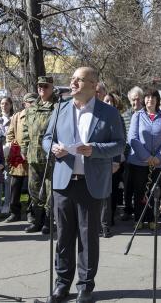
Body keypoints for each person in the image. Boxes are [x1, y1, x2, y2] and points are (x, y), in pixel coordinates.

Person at [42, 67, 125, 303]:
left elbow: (120, 145)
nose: (73, 83)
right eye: (72, 79)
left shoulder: (108, 113)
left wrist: (95, 150)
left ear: (93, 84)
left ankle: (85, 286)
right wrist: (54, 148)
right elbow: (47, 138)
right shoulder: (60, 108)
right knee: (64, 236)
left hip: (91, 183)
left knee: (88, 237)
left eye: (79, 80)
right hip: (63, 182)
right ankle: (61, 285)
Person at [127, 88, 161, 229]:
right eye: (147, 97)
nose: (150, 100)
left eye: (153, 97)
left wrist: (158, 157)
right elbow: (132, 138)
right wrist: (147, 157)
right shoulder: (137, 116)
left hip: (158, 163)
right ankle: (139, 219)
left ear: (157, 100)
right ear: (143, 100)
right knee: (140, 190)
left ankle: (152, 218)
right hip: (140, 161)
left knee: (154, 191)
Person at [22, 76, 58, 234]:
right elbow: (25, 130)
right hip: (33, 154)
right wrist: (24, 148)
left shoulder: (57, 107)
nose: (42, 88)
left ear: (51, 88)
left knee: (50, 189)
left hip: (49, 155)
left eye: (45, 86)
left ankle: (49, 222)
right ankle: (37, 220)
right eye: (39, 86)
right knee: (34, 188)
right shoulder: (32, 108)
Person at [4, 93, 37, 223]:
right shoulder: (17, 117)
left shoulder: (37, 116)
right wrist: (15, 147)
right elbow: (10, 135)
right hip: (18, 157)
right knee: (15, 186)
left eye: (34, 102)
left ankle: (31, 213)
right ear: (24, 103)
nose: (33, 104)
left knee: (32, 186)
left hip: (33, 156)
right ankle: (14, 212)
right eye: (30, 102)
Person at [100, 92, 127, 237]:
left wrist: (116, 161)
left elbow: (119, 141)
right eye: (105, 100)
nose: (108, 103)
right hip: (96, 160)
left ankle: (105, 225)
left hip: (110, 160)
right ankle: (97, 224)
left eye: (110, 101)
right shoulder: (97, 114)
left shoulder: (117, 117)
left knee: (106, 195)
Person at [120, 86, 144, 221]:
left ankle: (139, 211)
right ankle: (127, 209)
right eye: (133, 100)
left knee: (140, 186)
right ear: (129, 101)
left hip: (143, 157)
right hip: (128, 156)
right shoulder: (124, 116)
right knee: (127, 185)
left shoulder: (146, 116)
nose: (136, 102)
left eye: (139, 99)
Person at [0, 97, 14, 215]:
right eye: (2, 103)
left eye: (6, 103)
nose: (4, 106)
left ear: (10, 105)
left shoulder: (14, 119)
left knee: (7, 179)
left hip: (10, 153)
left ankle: (7, 204)